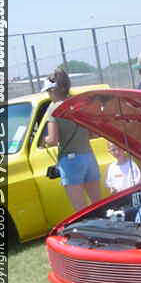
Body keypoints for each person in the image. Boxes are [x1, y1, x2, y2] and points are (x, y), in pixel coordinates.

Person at [42, 68, 101, 211]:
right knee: (98, 204)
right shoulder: (79, 104)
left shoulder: (54, 108)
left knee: (80, 208)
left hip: (70, 160)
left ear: (53, 90)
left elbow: (53, 140)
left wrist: (44, 140)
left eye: (48, 92)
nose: (49, 95)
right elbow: (93, 133)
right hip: (89, 156)